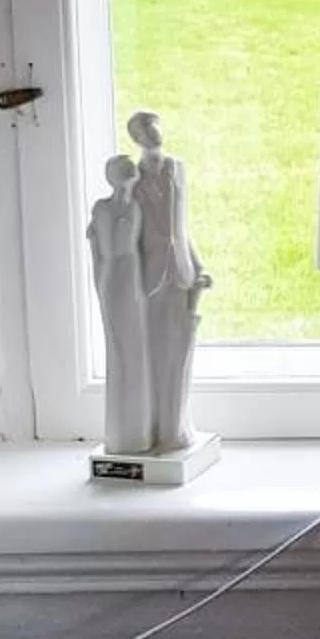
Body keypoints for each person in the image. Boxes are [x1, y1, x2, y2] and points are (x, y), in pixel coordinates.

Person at [126, 108, 213, 453]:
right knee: (153, 347)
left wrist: (197, 264)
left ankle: (176, 424)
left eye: (154, 126)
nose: (153, 134)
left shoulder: (176, 169)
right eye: (145, 130)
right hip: (148, 272)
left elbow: (181, 225)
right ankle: (154, 423)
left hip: (179, 269)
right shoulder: (132, 178)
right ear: (136, 138)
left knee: (179, 343)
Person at [86, 154, 153, 456]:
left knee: (137, 348)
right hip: (114, 277)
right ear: (113, 177)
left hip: (132, 276)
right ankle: (121, 430)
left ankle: (137, 427)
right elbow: (109, 252)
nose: (129, 176)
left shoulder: (136, 207)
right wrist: (104, 285)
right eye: (124, 172)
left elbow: (137, 250)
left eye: (131, 172)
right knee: (119, 348)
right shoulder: (103, 208)